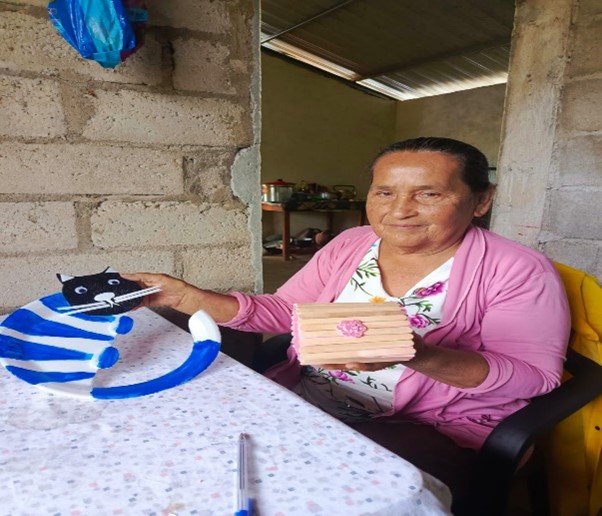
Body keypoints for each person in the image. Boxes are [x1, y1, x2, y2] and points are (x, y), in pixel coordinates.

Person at [124, 137, 570, 513]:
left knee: (324, 496)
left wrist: (418, 354)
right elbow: (287, 310)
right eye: (384, 193)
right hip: (310, 397)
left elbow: (533, 376)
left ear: (482, 200)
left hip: (428, 423)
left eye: (429, 194)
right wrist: (188, 298)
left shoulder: (517, 269)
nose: (400, 211)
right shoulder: (353, 243)